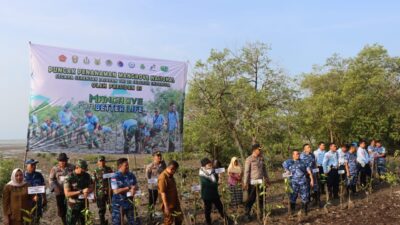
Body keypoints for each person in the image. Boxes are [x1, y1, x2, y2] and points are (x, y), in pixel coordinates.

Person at [199, 158, 232, 225]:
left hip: (214, 194)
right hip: (207, 195)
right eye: (208, 165)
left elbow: (216, 177)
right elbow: (207, 184)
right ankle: (208, 222)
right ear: (204, 166)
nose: (210, 165)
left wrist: (219, 176)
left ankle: (227, 220)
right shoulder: (202, 174)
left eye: (210, 164)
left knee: (220, 207)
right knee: (208, 210)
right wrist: (217, 183)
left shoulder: (212, 171)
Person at [243, 143, 270, 220]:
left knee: (262, 197)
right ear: (254, 150)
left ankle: (261, 213)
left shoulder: (261, 158)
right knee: (251, 199)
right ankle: (247, 214)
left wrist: (267, 178)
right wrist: (245, 183)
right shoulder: (249, 159)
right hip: (252, 182)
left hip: (261, 182)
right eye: (259, 149)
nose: (260, 151)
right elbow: (246, 172)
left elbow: (264, 169)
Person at [283, 150, 314, 215]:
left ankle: (305, 211)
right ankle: (292, 211)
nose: (298, 155)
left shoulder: (303, 162)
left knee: (305, 196)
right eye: (296, 154)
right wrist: (286, 183)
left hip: (303, 182)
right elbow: (285, 171)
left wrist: (311, 179)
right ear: (293, 155)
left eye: (298, 154)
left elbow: (308, 171)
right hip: (293, 183)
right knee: (293, 197)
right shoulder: (288, 162)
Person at [111, 158, 140, 225]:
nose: (128, 166)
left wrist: (134, 188)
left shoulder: (131, 175)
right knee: (117, 223)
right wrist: (129, 187)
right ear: (120, 166)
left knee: (135, 222)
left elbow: (136, 185)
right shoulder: (115, 177)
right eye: (126, 165)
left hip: (130, 203)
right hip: (118, 204)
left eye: (128, 165)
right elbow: (116, 191)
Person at [64, 159, 94, 225]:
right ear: (77, 167)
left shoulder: (87, 176)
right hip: (73, 206)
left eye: (85, 169)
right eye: (83, 169)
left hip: (84, 204)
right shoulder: (69, 177)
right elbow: (67, 194)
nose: (84, 171)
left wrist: (89, 190)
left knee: (84, 222)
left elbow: (92, 186)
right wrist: (81, 191)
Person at [49, 153, 75, 225]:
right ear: (58, 161)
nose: (62, 162)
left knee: (71, 208)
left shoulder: (72, 167)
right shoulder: (54, 169)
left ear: (66, 160)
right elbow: (51, 180)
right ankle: (65, 222)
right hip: (60, 192)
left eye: (64, 160)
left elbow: (76, 176)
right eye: (61, 161)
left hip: (70, 192)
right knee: (61, 210)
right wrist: (55, 187)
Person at [158, 160, 182, 225]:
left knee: (179, 218)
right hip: (168, 204)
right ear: (171, 169)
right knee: (168, 222)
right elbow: (163, 193)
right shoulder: (163, 177)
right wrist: (166, 207)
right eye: (175, 170)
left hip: (175, 202)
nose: (175, 172)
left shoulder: (170, 175)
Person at [24, 159, 47, 224]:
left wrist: (44, 198)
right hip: (27, 202)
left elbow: (42, 187)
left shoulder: (39, 175)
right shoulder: (22, 176)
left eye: (35, 165)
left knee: (37, 217)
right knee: (27, 218)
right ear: (27, 166)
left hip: (38, 201)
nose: (34, 166)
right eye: (32, 165)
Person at [93, 156, 113, 225]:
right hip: (100, 193)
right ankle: (102, 222)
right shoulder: (96, 171)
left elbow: (112, 179)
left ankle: (115, 221)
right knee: (101, 209)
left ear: (105, 161)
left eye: (103, 161)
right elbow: (94, 183)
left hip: (109, 192)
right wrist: (94, 194)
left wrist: (111, 188)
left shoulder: (109, 169)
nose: (102, 162)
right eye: (100, 161)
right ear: (98, 162)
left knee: (112, 208)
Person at [145, 150, 166, 215]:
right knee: (152, 202)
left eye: (160, 155)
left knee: (163, 201)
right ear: (153, 157)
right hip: (153, 187)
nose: (159, 157)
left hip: (162, 187)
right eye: (158, 156)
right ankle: (150, 215)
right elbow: (147, 178)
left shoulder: (163, 165)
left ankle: (164, 214)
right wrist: (150, 171)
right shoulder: (150, 166)